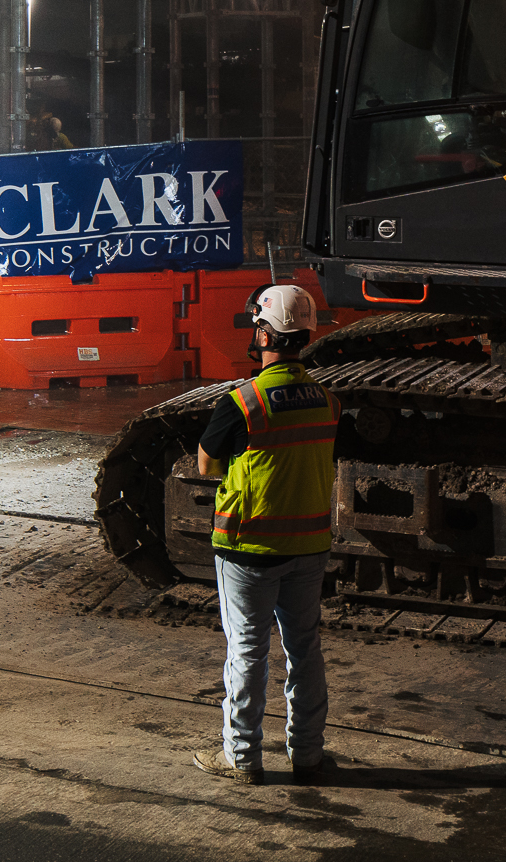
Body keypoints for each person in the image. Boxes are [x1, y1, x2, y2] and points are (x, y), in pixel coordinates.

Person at [192, 283, 339, 783]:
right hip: (311, 544)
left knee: (248, 651)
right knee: (305, 648)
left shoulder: (243, 402)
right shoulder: (327, 399)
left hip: (249, 548)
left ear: (262, 332)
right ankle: (309, 756)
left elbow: (208, 464)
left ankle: (242, 758)